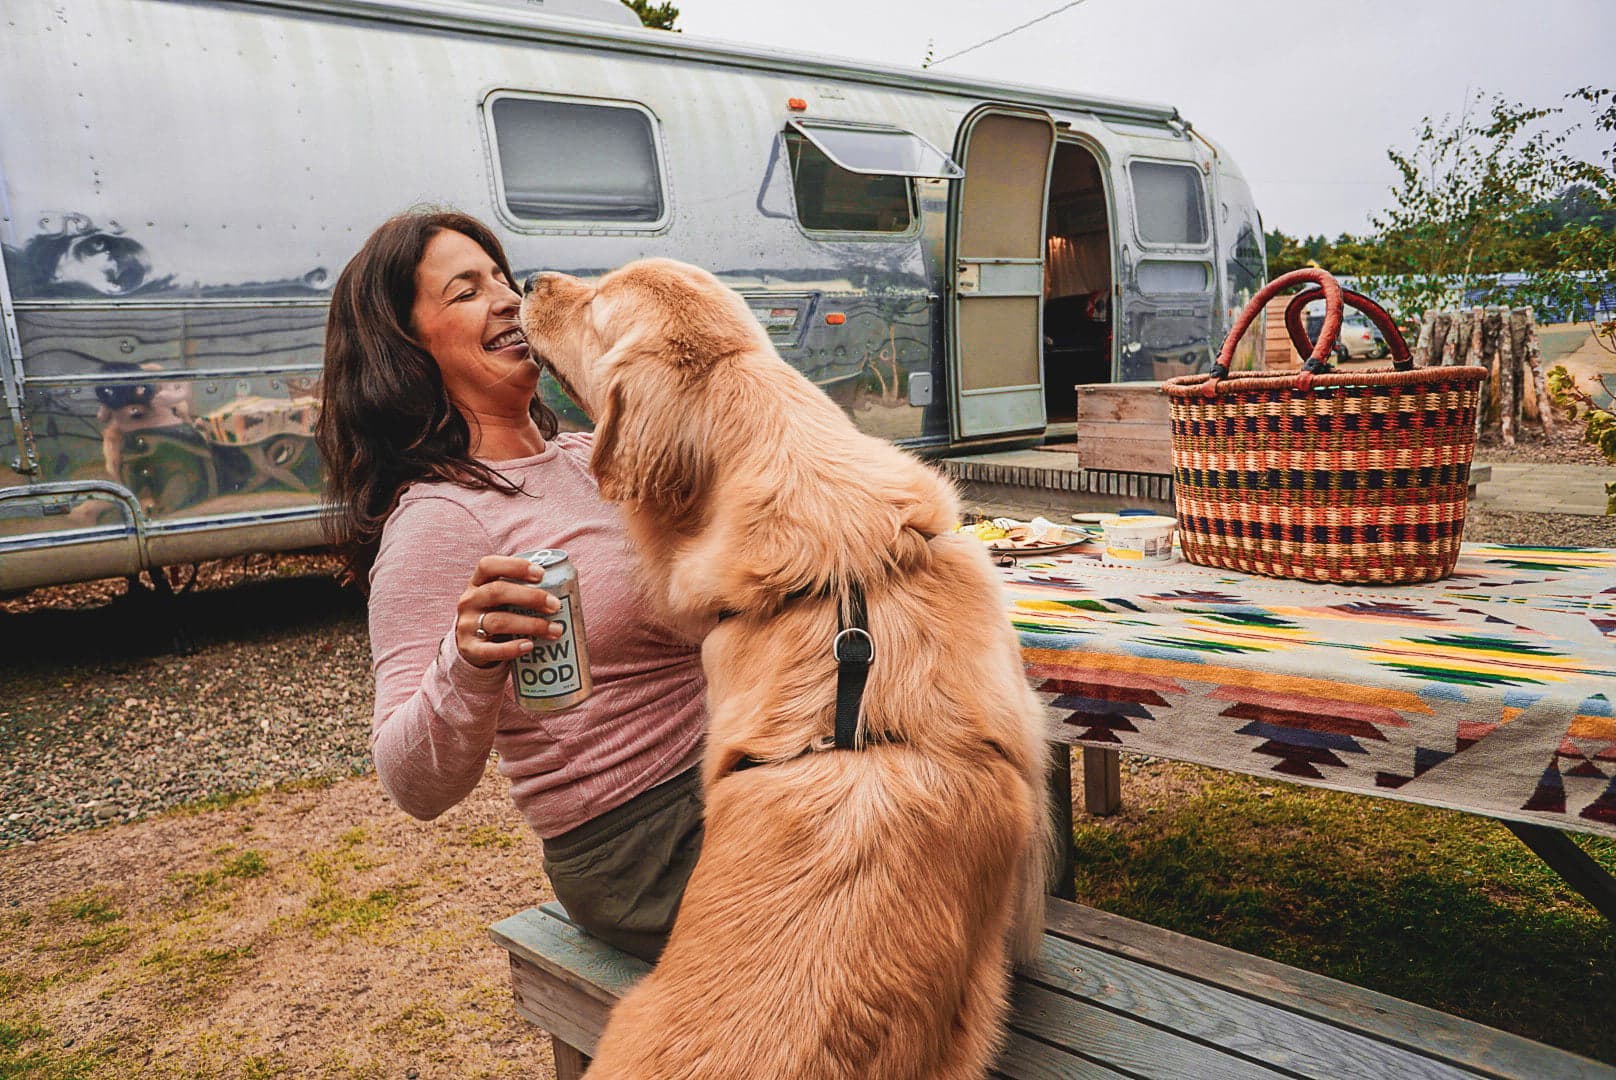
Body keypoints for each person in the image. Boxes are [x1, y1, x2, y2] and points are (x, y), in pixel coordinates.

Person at [315, 208, 707, 961]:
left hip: (743, 764)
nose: (505, 296)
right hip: (643, 841)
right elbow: (412, 785)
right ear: (406, 349)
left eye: (500, 275)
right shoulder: (441, 517)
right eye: (465, 291)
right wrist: (467, 664)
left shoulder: (595, 451)